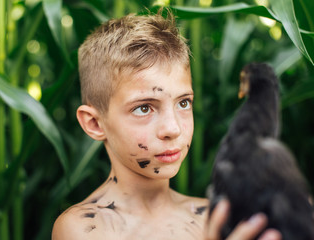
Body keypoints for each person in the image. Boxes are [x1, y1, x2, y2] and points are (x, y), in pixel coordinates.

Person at [52, 11, 282, 240]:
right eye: (144, 108)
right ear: (94, 123)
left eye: (183, 103)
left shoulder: (215, 218)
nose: (173, 129)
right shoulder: (83, 229)